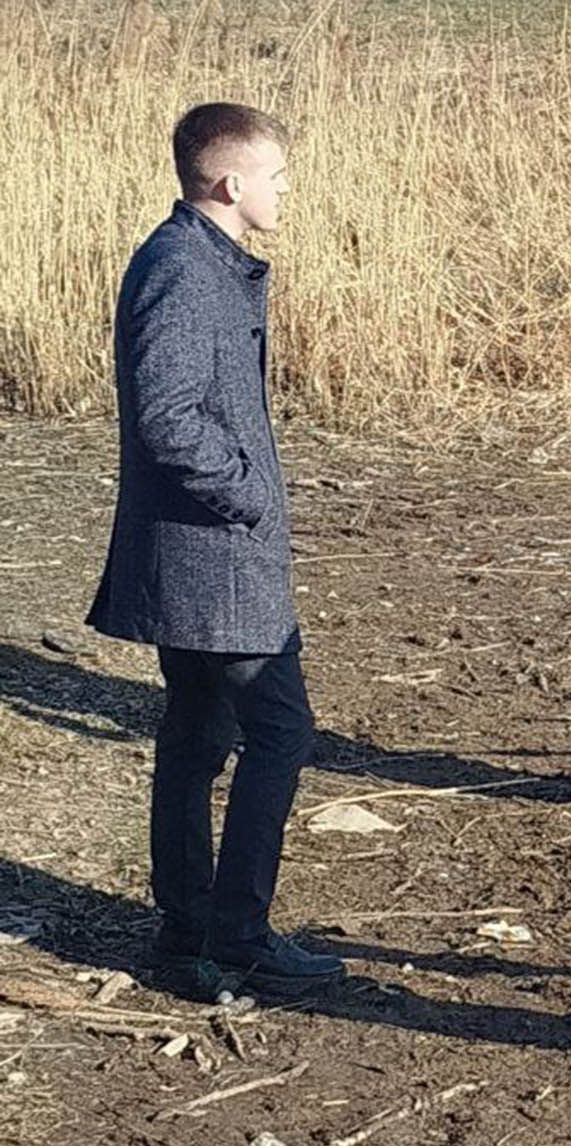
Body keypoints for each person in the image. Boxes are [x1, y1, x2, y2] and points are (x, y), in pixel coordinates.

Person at [87, 102, 343, 996]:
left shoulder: (202, 262)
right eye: (275, 177)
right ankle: (229, 931)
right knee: (279, 731)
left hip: (211, 557)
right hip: (213, 559)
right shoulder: (182, 270)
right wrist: (250, 496)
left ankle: (189, 931)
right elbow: (167, 417)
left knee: (199, 734)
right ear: (232, 184)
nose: (284, 191)